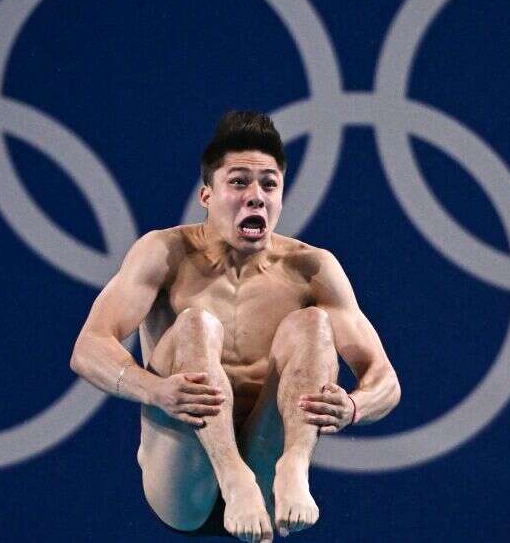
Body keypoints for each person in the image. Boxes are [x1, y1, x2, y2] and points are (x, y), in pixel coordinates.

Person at [69, 110, 401, 542]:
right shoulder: (164, 253)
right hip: (182, 477)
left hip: (265, 474)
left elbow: (385, 379)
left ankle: (293, 465)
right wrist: (156, 391)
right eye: (239, 182)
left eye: (269, 184)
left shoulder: (311, 268)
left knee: (313, 325)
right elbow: (88, 348)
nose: (256, 196)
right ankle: (230, 475)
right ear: (206, 194)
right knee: (196, 326)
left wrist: (354, 407)